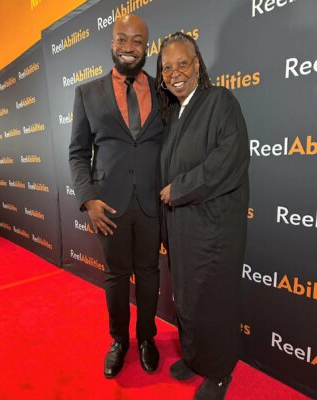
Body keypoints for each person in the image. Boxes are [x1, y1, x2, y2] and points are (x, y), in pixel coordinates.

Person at [69, 14, 164, 379]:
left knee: (150, 272)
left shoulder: (162, 90)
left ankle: (146, 338)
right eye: (121, 39)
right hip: (108, 204)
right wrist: (88, 199)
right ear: (111, 43)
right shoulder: (87, 93)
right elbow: (78, 152)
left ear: (146, 47)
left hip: (153, 201)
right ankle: (119, 340)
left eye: (137, 41)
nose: (128, 47)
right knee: (115, 275)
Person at [156, 32, 250, 400]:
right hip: (182, 230)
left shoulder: (220, 101)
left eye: (183, 63)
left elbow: (230, 159)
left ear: (198, 65)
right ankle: (195, 358)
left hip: (214, 229)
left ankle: (220, 370)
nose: (175, 72)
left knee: (213, 302)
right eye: (167, 67)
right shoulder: (175, 114)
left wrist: (179, 188)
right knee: (188, 301)